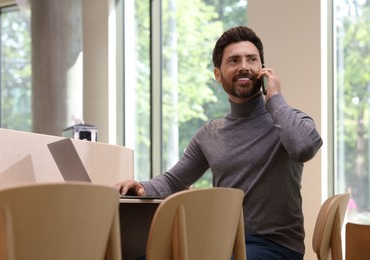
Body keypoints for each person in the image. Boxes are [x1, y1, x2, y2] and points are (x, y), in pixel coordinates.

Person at [114, 26, 323, 259]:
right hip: (220, 241)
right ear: (218, 73)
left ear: (263, 70)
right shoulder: (209, 133)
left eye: (251, 59)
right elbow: (174, 181)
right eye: (234, 60)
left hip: (275, 246)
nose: (244, 66)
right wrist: (142, 187)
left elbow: (304, 148)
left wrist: (274, 98)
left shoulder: (290, 120)